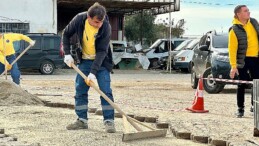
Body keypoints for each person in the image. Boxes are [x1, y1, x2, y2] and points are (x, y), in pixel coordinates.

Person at [62, 2, 115, 133]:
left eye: (101, 22)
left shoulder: (106, 27)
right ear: (89, 17)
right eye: (96, 22)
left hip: (101, 62)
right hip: (84, 60)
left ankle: (109, 121)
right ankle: (82, 120)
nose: (99, 25)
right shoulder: (79, 19)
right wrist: (67, 54)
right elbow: (66, 34)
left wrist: (93, 72)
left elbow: (102, 51)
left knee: (105, 91)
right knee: (80, 90)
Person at [228, 5, 259, 118]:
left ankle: (254, 106)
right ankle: (240, 108)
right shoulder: (234, 30)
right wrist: (233, 66)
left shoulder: (254, 22)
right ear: (238, 14)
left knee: (257, 83)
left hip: (256, 58)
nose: (248, 12)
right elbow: (232, 49)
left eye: (248, 10)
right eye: (245, 11)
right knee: (242, 84)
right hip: (243, 60)